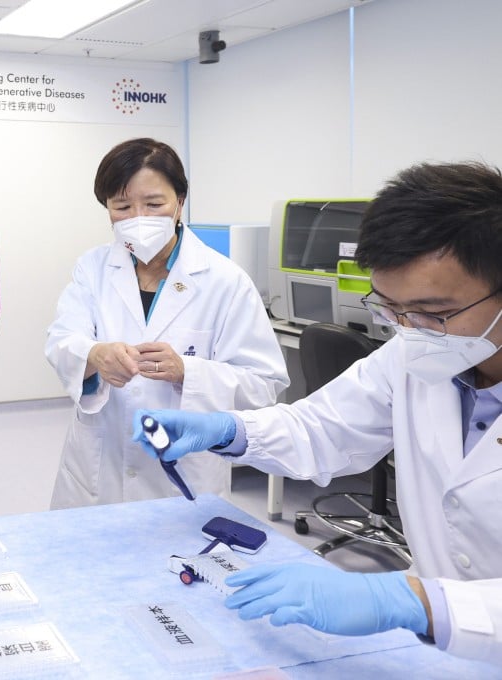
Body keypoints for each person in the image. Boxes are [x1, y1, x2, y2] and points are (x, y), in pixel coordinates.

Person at [132, 161, 502, 666]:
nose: (409, 329)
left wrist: (413, 601)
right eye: (391, 309)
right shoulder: (412, 352)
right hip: (445, 652)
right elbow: (321, 428)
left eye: (433, 311)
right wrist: (230, 430)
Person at [45, 138, 288, 509]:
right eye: (122, 206)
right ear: (107, 208)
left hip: (185, 476)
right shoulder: (92, 269)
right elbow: (62, 341)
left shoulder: (225, 281)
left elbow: (264, 384)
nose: (138, 218)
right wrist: (94, 354)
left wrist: (187, 372)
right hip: (99, 468)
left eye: (154, 204)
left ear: (180, 203)